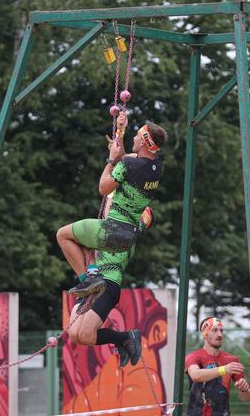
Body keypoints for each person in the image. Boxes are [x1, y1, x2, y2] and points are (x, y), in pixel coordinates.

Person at [61, 113, 166, 366]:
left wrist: (110, 160)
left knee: (62, 234)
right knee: (77, 334)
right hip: (122, 236)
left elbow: (104, 187)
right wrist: (119, 132)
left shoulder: (129, 167)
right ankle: (123, 338)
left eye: (138, 135)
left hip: (112, 238)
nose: (135, 137)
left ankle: (89, 278)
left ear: (144, 140)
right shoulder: (155, 166)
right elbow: (127, 158)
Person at [185, 317, 250, 415]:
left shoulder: (231, 360)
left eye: (221, 330)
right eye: (214, 330)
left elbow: (245, 398)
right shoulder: (194, 356)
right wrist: (224, 369)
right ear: (205, 334)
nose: (220, 334)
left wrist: (244, 389)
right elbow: (195, 375)